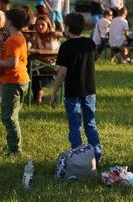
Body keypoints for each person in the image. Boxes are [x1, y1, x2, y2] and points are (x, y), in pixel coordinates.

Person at [50, 13, 102, 161]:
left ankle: (79, 157)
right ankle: (96, 156)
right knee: (90, 123)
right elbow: (93, 59)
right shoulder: (90, 43)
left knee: (75, 125)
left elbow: (62, 72)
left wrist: (54, 92)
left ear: (67, 28)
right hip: (89, 90)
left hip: (73, 92)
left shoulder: (66, 46)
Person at [0, 9, 30, 155]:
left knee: (8, 117)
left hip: (13, 81)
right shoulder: (17, 37)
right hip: (19, 80)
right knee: (11, 115)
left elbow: (12, 63)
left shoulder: (13, 39)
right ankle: (12, 145)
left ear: (10, 22)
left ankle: (15, 149)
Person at [28, 15, 62, 103]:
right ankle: (38, 91)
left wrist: (57, 33)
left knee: (31, 65)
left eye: (43, 24)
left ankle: (39, 93)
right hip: (42, 64)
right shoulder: (36, 37)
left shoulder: (54, 35)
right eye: (37, 25)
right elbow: (34, 51)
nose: (40, 27)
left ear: (48, 25)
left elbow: (65, 35)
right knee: (29, 63)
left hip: (55, 64)